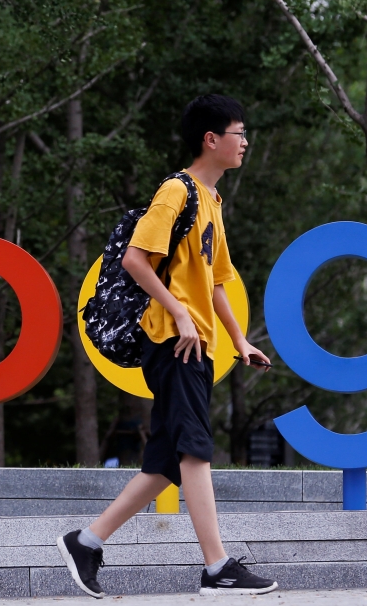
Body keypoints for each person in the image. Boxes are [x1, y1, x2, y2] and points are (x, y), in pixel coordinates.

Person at [57, 95, 278, 598]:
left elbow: (218, 281)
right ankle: (217, 567)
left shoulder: (212, 201)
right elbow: (137, 260)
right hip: (172, 343)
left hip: (197, 345)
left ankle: (86, 543)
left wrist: (240, 340)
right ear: (211, 139)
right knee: (195, 450)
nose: (244, 142)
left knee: (164, 463)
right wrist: (177, 311)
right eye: (239, 133)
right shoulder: (175, 192)